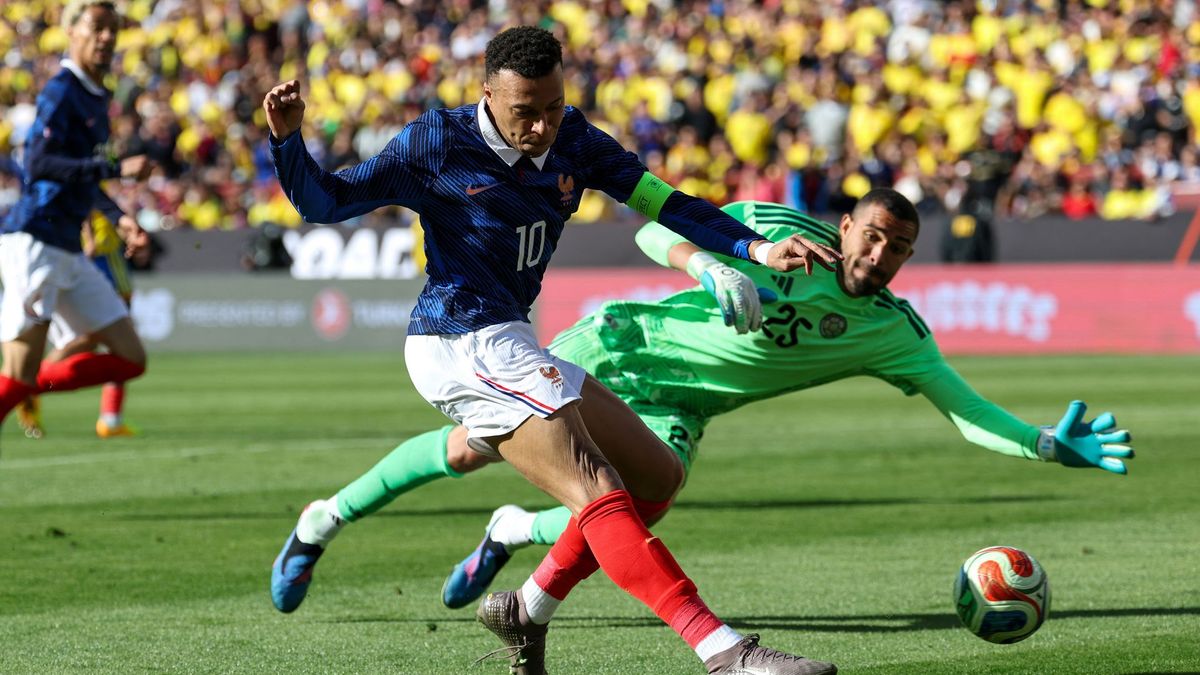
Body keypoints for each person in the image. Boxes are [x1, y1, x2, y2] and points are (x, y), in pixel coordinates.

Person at [266, 25, 844, 675]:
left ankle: (526, 608)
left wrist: (754, 247)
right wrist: (288, 141)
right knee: (594, 485)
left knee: (656, 477)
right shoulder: (438, 141)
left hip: (510, 337)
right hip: (457, 337)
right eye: (525, 112)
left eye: (553, 106)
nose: (542, 126)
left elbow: (664, 202)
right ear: (487, 94)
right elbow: (327, 202)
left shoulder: (576, 139)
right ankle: (724, 652)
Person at [268, 192, 1134, 623]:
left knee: (645, 499)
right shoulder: (777, 229)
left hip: (681, 403)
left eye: (899, 247)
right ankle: (321, 519)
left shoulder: (893, 332)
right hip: (621, 346)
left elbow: (965, 409)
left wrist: (1042, 444)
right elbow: (652, 222)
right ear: (847, 226)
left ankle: (513, 538)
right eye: (873, 234)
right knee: (469, 447)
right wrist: (708, 261)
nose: (881, 253)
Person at [0, 0, 151, 444]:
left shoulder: (97, 97)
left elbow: (83, 176)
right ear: (72, 32)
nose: (107, 37)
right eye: (97, 27)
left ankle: (27, 386)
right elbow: (39, 163)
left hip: (67, 247)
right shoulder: (62, 90)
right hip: (36, 240)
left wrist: (119, 218)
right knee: (19, 373)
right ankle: (23, 385)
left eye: (113, 29)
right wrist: (115, 168)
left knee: (131, 357)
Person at [16, 209, 143, 439]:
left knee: (92, 341)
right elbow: (85, 202)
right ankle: (28, 385)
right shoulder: (91, 188)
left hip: (87, 258)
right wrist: (90, 238)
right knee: (113, 343)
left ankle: (110, 418)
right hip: (98, 260)